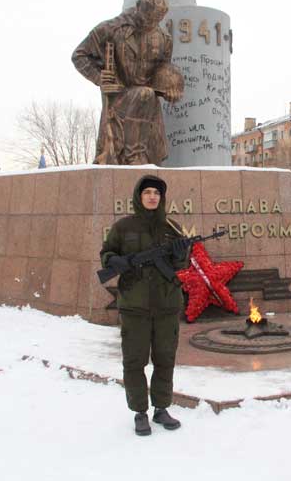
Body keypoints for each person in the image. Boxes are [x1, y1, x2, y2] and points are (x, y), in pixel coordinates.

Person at [100, 175, 191, 436]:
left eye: (156, 193)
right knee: (134, 360)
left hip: (166, 305)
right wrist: (115, 261)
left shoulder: (172, 228)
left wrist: (180, 252)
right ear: (139, 196)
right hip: (134, 306)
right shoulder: (123, 227)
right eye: (147, 192)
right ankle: (140, 412)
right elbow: (106, 254)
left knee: (165, 359)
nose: (152, 196)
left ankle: (161, 408)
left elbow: (181, 265)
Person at [72, 0, 184, 165]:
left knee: (146, 94)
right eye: (148, 18)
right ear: (139, 6)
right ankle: (134, 156)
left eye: (156, 21)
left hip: (147, 107)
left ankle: (139, 156)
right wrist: (99, 78)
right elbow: (79, 55)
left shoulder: (165, 39)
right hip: (119, 97)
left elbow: (162, 71)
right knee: (145, 94)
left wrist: (171, 88)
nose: (150, 25)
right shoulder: (111, 29)